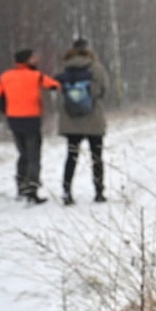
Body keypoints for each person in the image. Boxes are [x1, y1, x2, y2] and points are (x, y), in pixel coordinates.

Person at [0, 48, 61, 204]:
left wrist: (8, 110)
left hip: (14, 120)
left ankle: (21, 186)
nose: (36, 60)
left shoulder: (5, 77)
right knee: (33, 155)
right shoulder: (35, 76)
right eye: (33, 58)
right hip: (31, 119)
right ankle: (32, 190)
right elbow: (54, 85)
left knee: (22, 153)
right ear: (26, 60)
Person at [54, 38, 109, 205]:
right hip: (93, 119)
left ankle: (67, 191)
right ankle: (99, 192)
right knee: (96, 157)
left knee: (71, 156)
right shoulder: (96, 67)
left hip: (71, 121)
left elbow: (58, 93)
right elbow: (104, 89)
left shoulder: (64, 68)